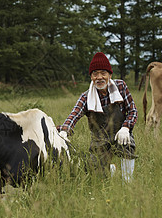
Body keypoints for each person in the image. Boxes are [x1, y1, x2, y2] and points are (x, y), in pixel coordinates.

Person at [58, 52, 138, 182]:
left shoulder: (121, 87)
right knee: (97, 176)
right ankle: (110, 170)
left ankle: (127, 181)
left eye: (103, 73)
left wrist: (126, 128)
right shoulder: (86, 97)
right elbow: (74, 114)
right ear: (91, 77)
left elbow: (132, 111)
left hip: (120, 134)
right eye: (95, 74)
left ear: (110, 75)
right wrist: (64, 131)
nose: (99, 77)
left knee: (127, 144)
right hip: (100, 139)